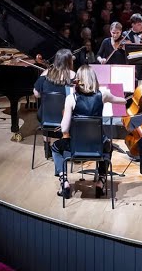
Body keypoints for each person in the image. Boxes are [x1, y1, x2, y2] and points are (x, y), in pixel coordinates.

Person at [52, 64, 122, 199]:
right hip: (97, 147)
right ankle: (101, 182)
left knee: (55, 148)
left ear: (78, 79)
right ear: (93, 79)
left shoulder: (71, 98)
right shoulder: (103, 95)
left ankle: (64, 181)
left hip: (75, 147)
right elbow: (122, 101)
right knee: (108, 146)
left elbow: (65, 129)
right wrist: (127, 99)